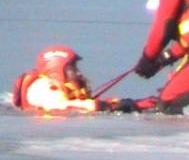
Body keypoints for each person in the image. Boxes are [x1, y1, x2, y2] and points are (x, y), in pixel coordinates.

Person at [12, 45, 156, 113]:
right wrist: (106, 106)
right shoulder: (42, 89)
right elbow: (63, 107)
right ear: (56, 68)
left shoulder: (57, 87)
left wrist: (131, 103)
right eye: (73, 68)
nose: (79, 73)